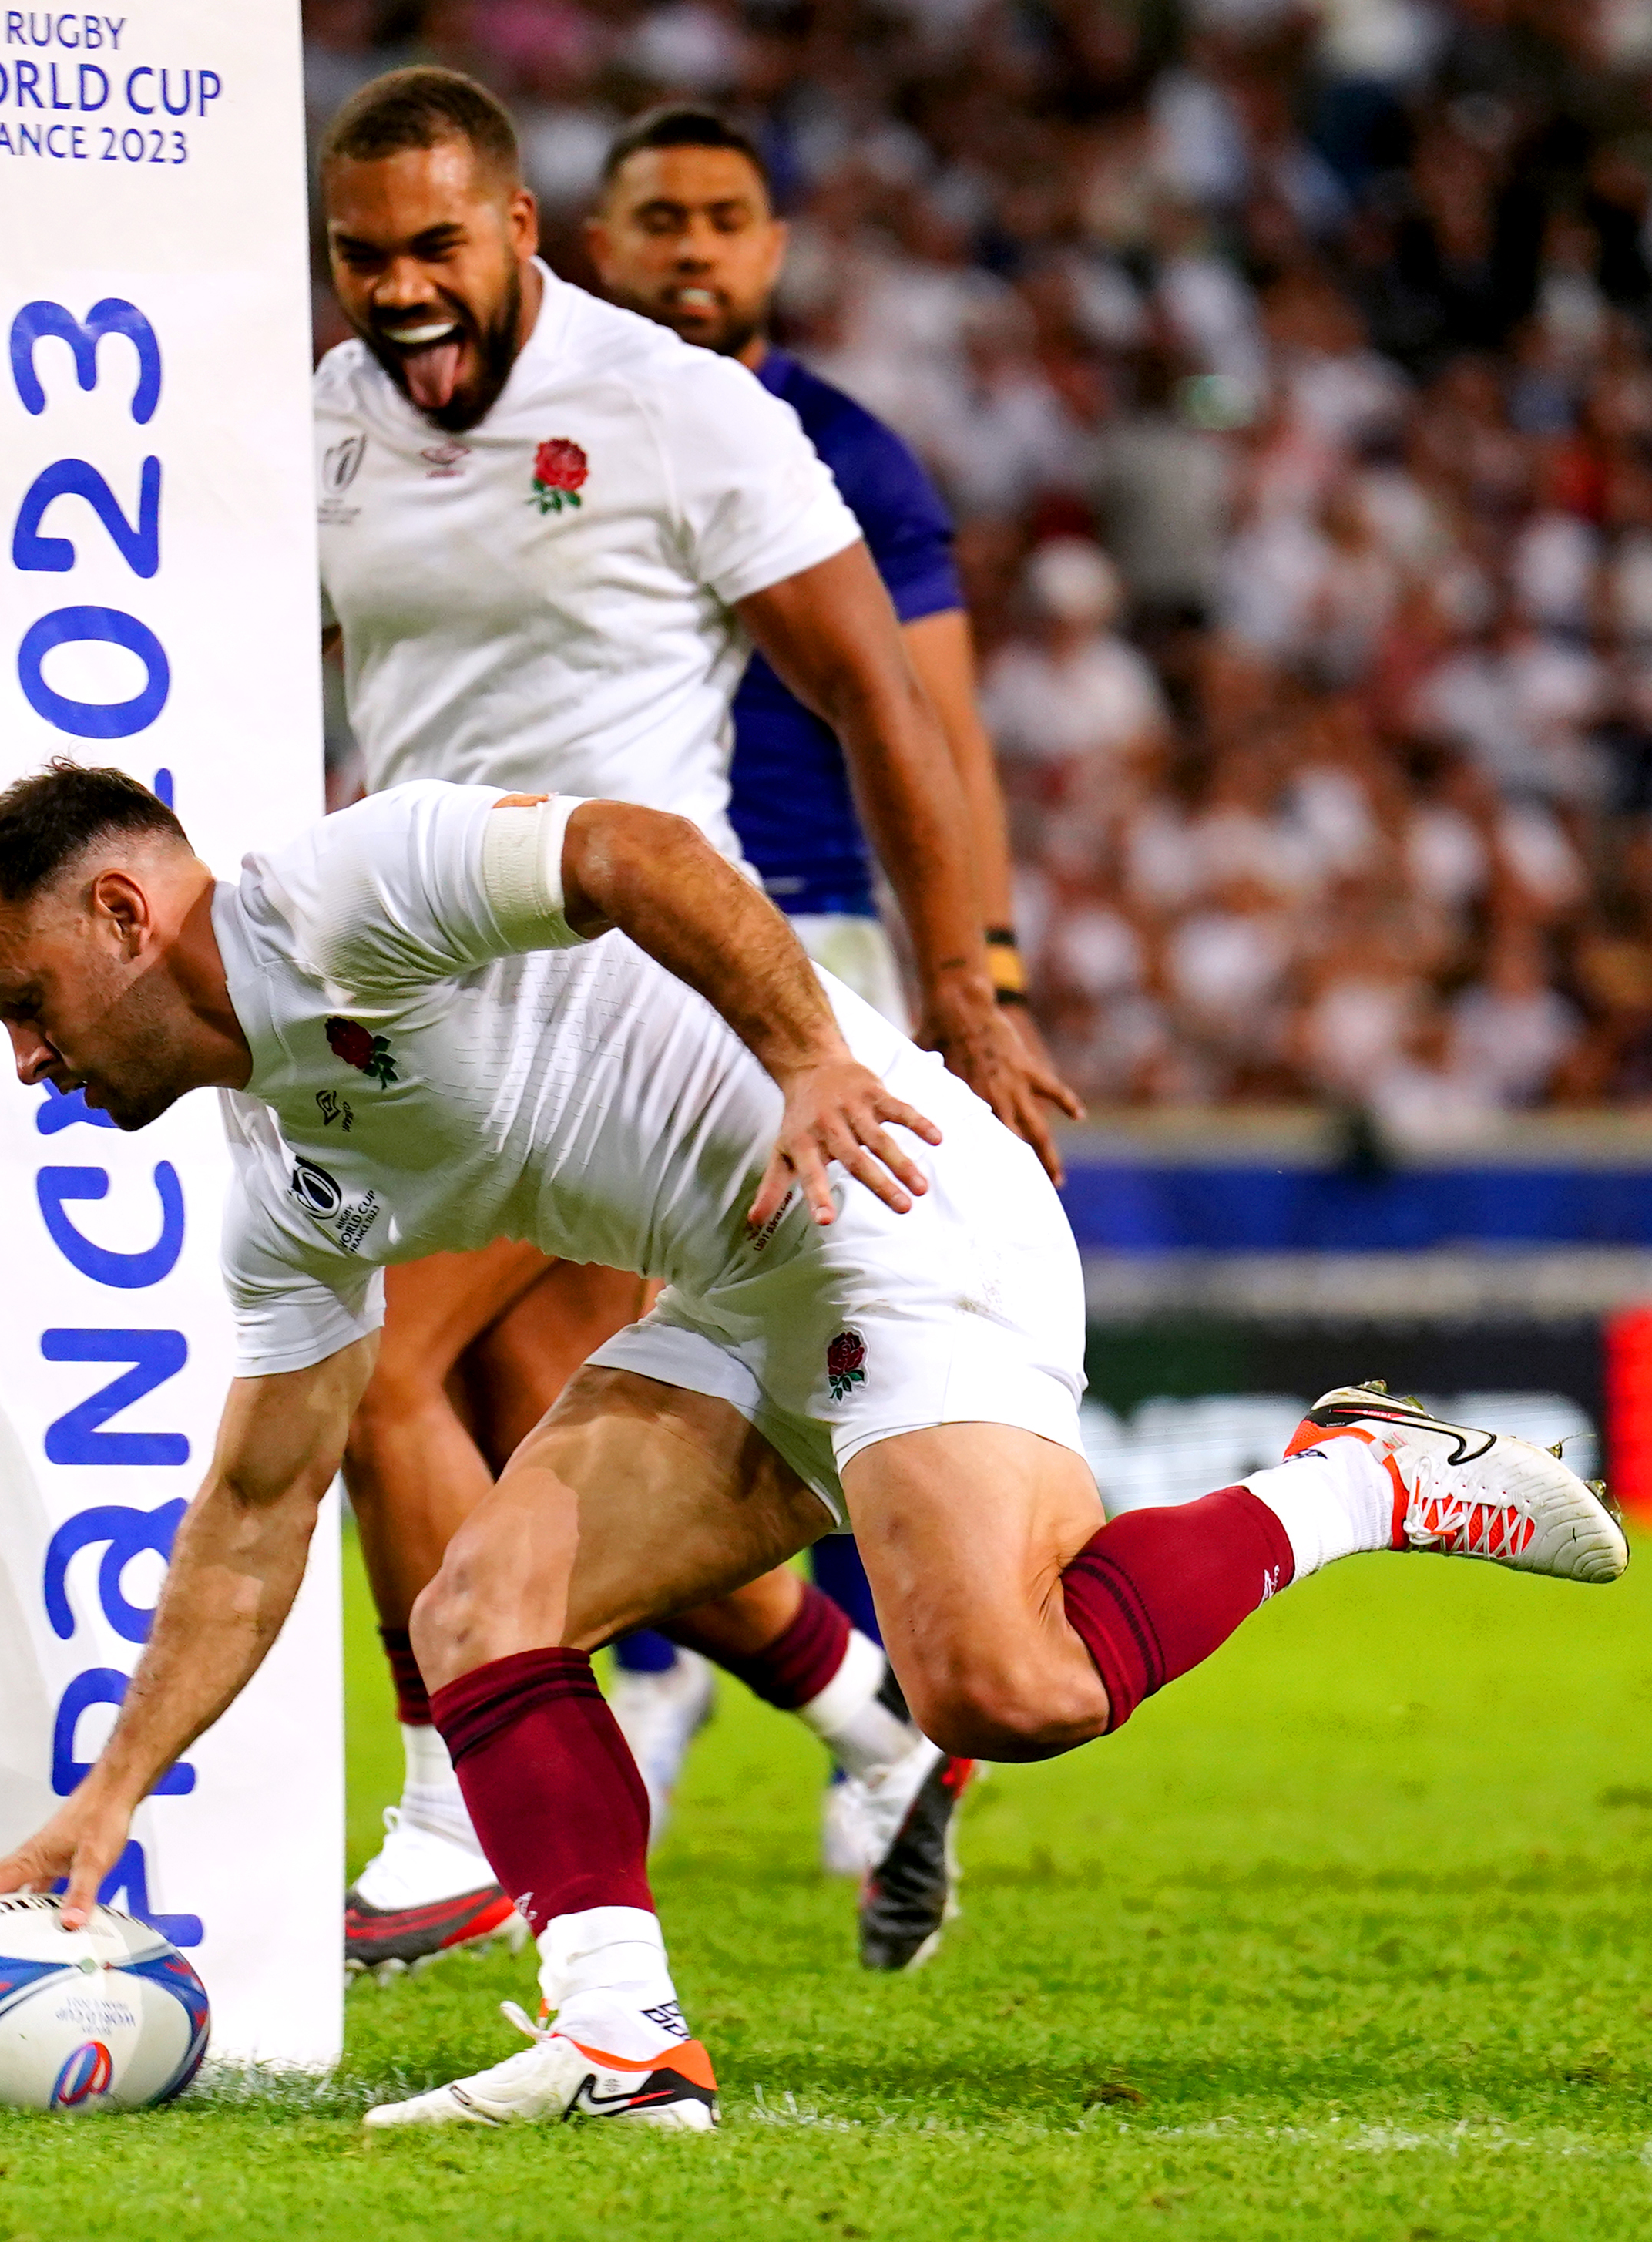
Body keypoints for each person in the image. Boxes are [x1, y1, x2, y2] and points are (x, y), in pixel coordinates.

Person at [0, 766, 1627, 2130]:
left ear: (129, 912)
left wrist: (811, 1055)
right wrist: (111, 1794)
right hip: (747, 1277)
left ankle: (1353, 1474)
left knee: (1002, 1692)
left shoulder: (343, 893)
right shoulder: (288, 1180)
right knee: (476, 1606)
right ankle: (622, 2038)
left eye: (27, 998)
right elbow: (259, 1502)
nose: (25, 1057)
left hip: (894, 1192)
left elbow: (633, 847)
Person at [312, 66, 1076, 1978]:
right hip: (436, 989)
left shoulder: (711, 424)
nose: (395, 285)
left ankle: (442, 1819)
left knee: (370, 1370)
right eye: (360, 255)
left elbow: (904, 709)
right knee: (554, 1439)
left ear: (512, 231)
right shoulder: (334, 425)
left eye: (429, 244)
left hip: (672, 998)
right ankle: (866, 1719)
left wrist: (971, 982)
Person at [579, 103, 1066, 1876]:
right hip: (597, 931)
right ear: (596, 242)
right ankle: (690, 1676)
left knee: (857, 1319)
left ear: (772, 248)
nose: (694, 249)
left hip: (817, 943)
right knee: (612, 1314)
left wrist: (979, 973)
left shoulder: (851, 450)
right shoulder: (528, 420)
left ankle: (863, 1721)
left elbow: (937, 732)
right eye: (660, 220)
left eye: (724, 218)